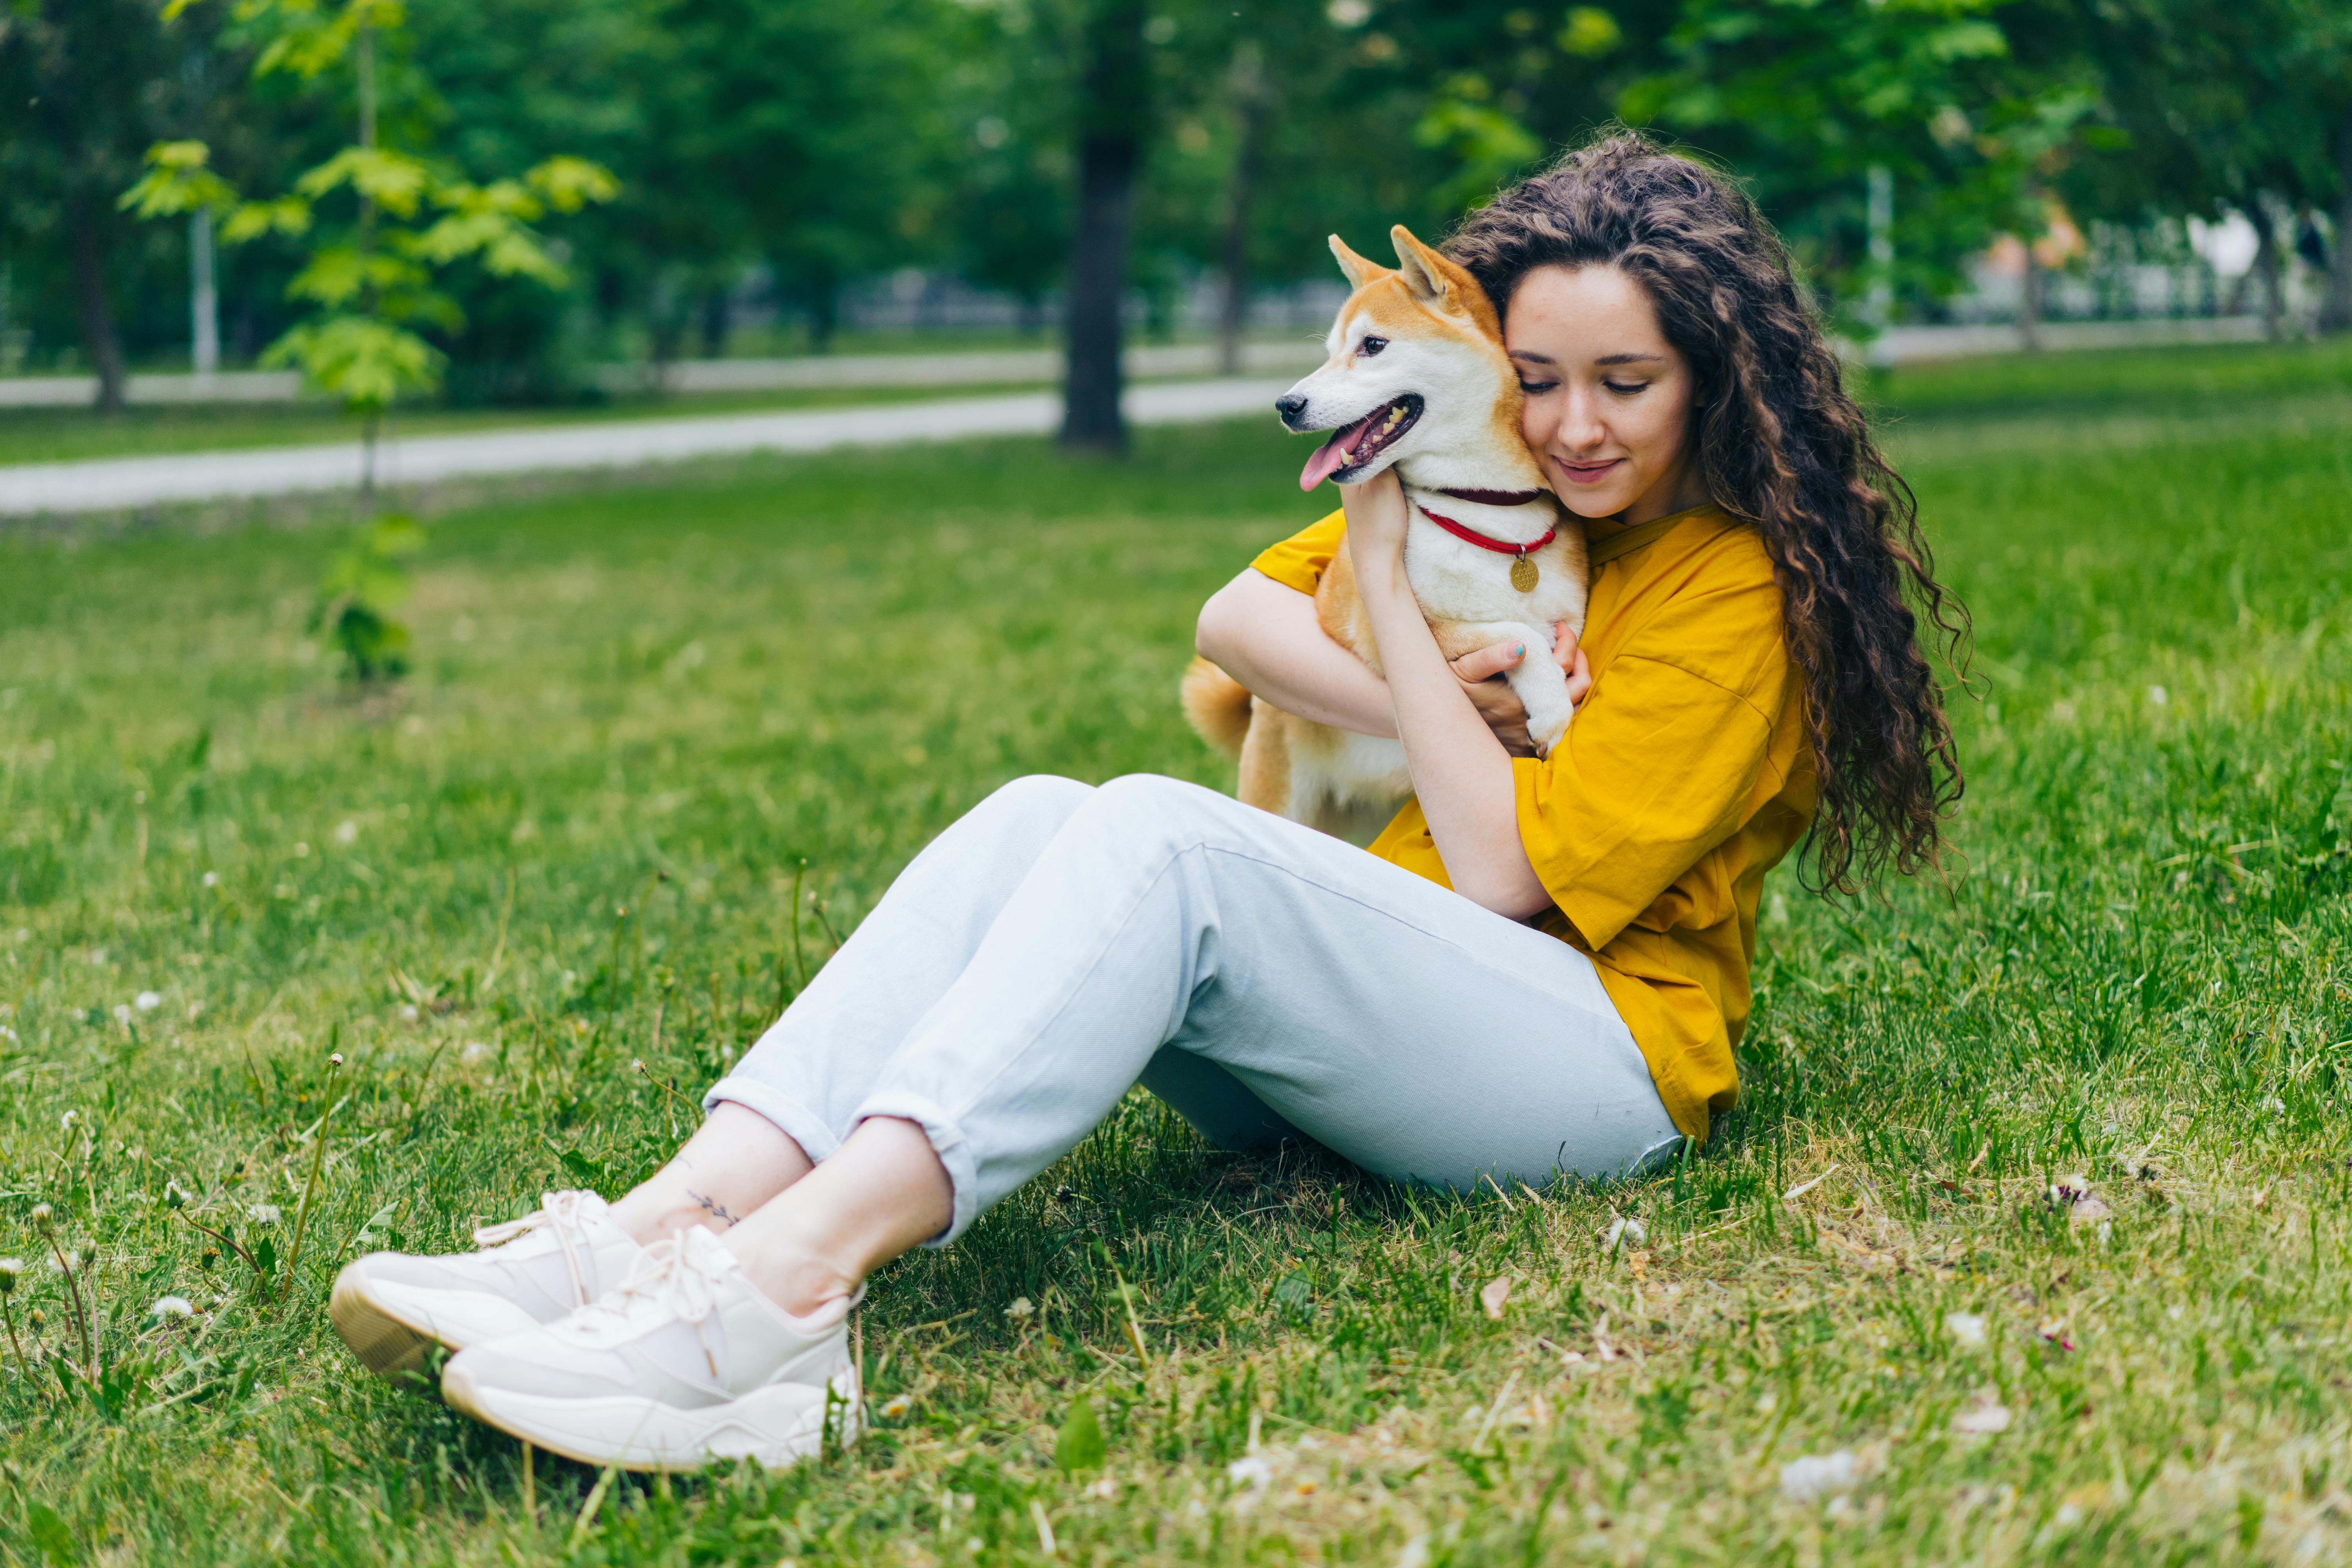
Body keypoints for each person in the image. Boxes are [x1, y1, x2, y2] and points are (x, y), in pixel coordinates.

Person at [328, 131, 1967, 1472]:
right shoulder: (1510, 496)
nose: (1575, 422)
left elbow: (1499, 871)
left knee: (1165, 834)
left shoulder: (1728, 584)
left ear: (1715, 384)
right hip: (1380, 1046)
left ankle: (778, 1301)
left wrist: (1390, 602)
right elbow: (1238, 619)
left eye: (1629, 380)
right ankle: (654, 1227)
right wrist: (1410, 668)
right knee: (1057, 804)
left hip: (1591, 1069)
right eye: (1540, 375)